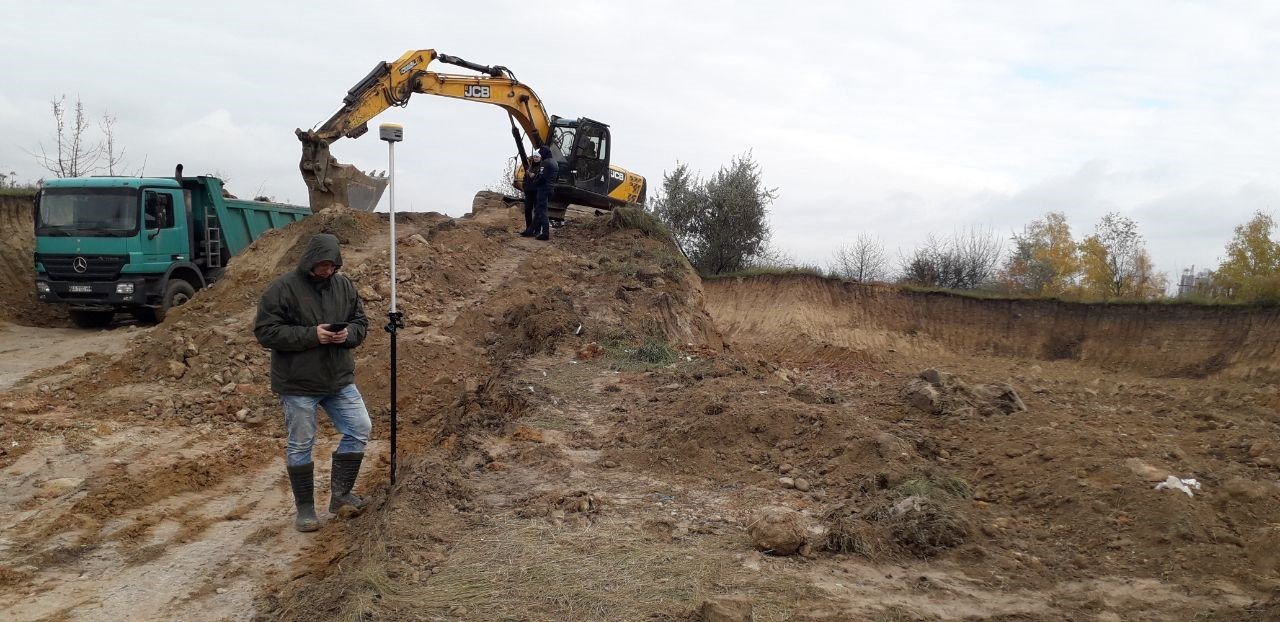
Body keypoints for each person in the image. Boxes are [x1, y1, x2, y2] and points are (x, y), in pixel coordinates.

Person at [254, 233, 372, 532]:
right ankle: (305, 510)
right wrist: (312, 335)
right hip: (298, 383)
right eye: (323, 265)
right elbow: (266, 332)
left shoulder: (344, 286)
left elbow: (360, 322)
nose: (327, 271)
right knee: (301, 443)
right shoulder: (281, 289)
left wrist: (348, 334)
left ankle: (341, 496)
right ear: (310, 261)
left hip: (338, 379)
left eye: (332, 266)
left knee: (360, 428)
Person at [531, 145, 559, 241]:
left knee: (542, 212)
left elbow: (542, 177)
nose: (540, 155)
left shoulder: (545, 163)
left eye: (541, 153)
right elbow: (556, 177)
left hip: (543, 189)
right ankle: (533, 230)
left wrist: (534, 182)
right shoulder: (555, 162)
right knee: (540, 210)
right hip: (551, 189)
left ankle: (545, 234)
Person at [519, 152, 541, 237]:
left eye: (537, 157)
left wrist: (534, 176)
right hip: (529, 192)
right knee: (527, 210)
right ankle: (528, 229)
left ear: (540, 158)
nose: (535, 158)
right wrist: (525, 187)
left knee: (537, 212)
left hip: (537, 192)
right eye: (534, 157)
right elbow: (525, 178)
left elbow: (541, 178)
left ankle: (537, 231)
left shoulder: (541, 167)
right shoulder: (530, 167)